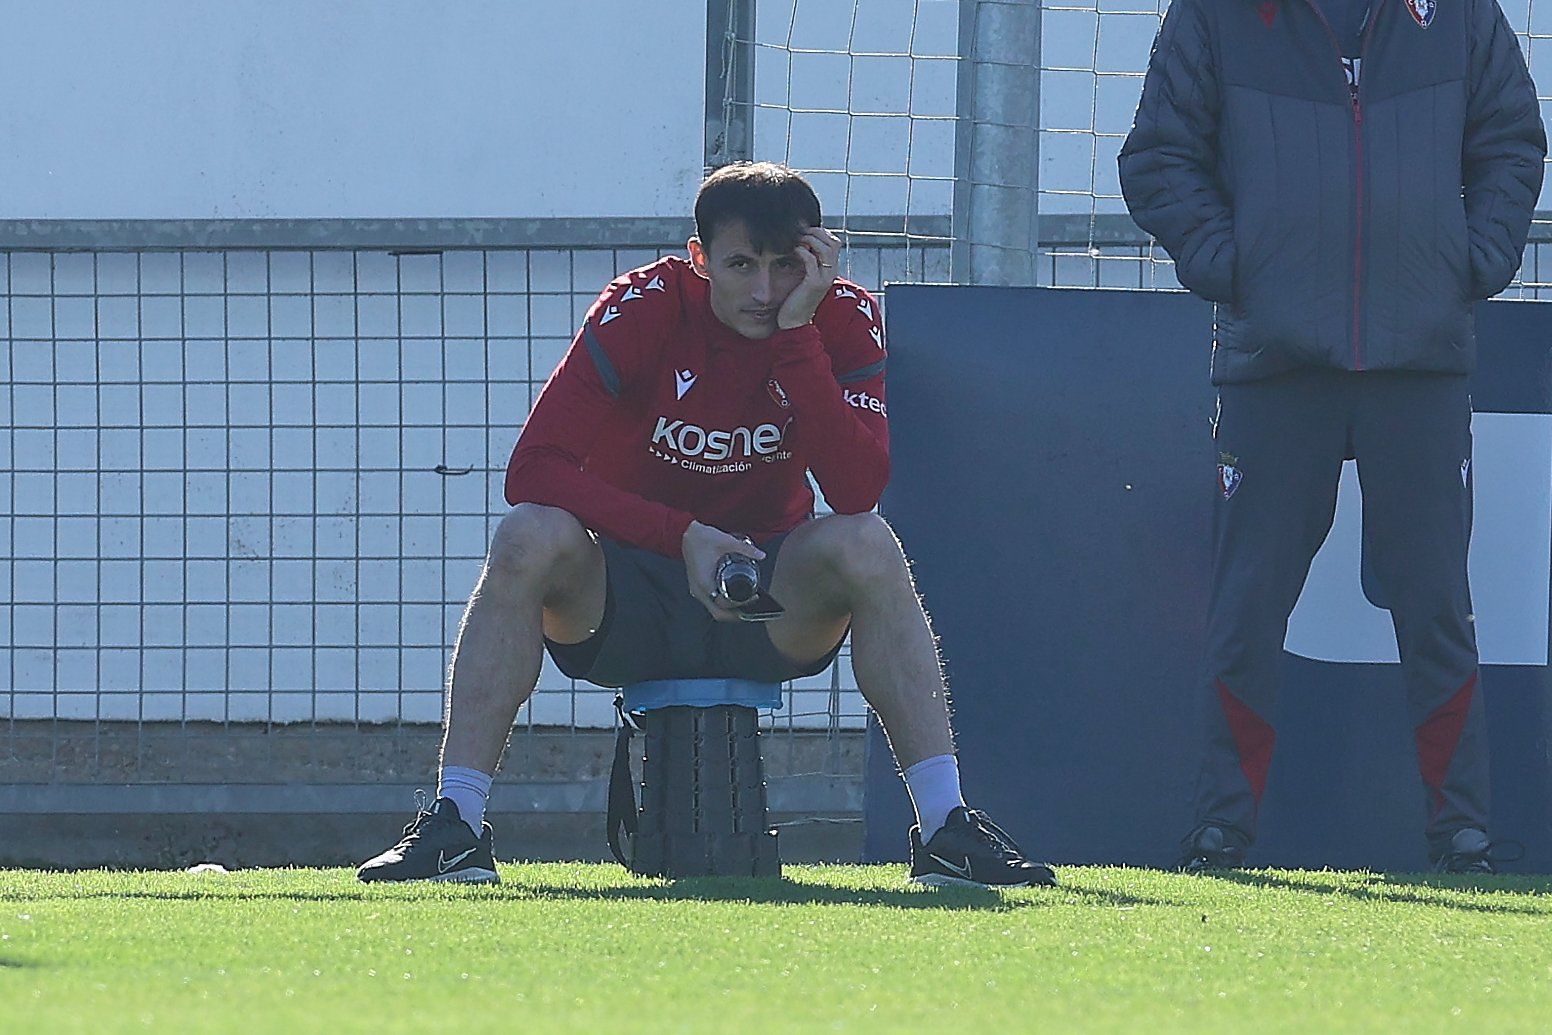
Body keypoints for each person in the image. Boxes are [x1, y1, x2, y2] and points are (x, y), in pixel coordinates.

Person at [357, 162, 1056, 888]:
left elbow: (856, 489)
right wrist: (681, 535)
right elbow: (532, 469)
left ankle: (944, 828)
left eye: (784, 265)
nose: (763, 290)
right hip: (625, 599)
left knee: (868, 544)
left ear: (816, 254)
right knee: (528, 533)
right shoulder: (642, 306)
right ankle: (456, 826)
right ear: (699, 260)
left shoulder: (839, 315)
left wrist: (796, 336)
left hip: (771, 604)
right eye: (740, 265)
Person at [1119, 0, 1545, 872]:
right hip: (1275, 366)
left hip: (1420, 363)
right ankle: (1222, 829)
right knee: (1247, 607)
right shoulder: (1217, 14)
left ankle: (1461, 832)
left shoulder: (1458, 13)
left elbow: (1513, 140)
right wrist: (1234, 267)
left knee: (1436, 607)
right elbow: (1159, 158)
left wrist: (1474, 261)